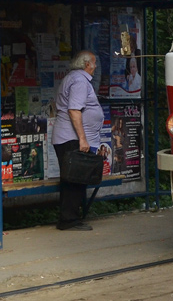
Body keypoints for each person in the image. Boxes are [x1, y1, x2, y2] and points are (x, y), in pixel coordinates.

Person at [53, 50, 104, 231]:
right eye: (94, 63)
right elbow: (74, 110)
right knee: (74, 179)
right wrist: (83, 139)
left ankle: (70, 217)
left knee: (74, 179)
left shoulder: (75, 78)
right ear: (86, 64)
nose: (95, 66)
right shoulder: (80, 81)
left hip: (69, 137)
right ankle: (69, 220)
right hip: (71, 138)